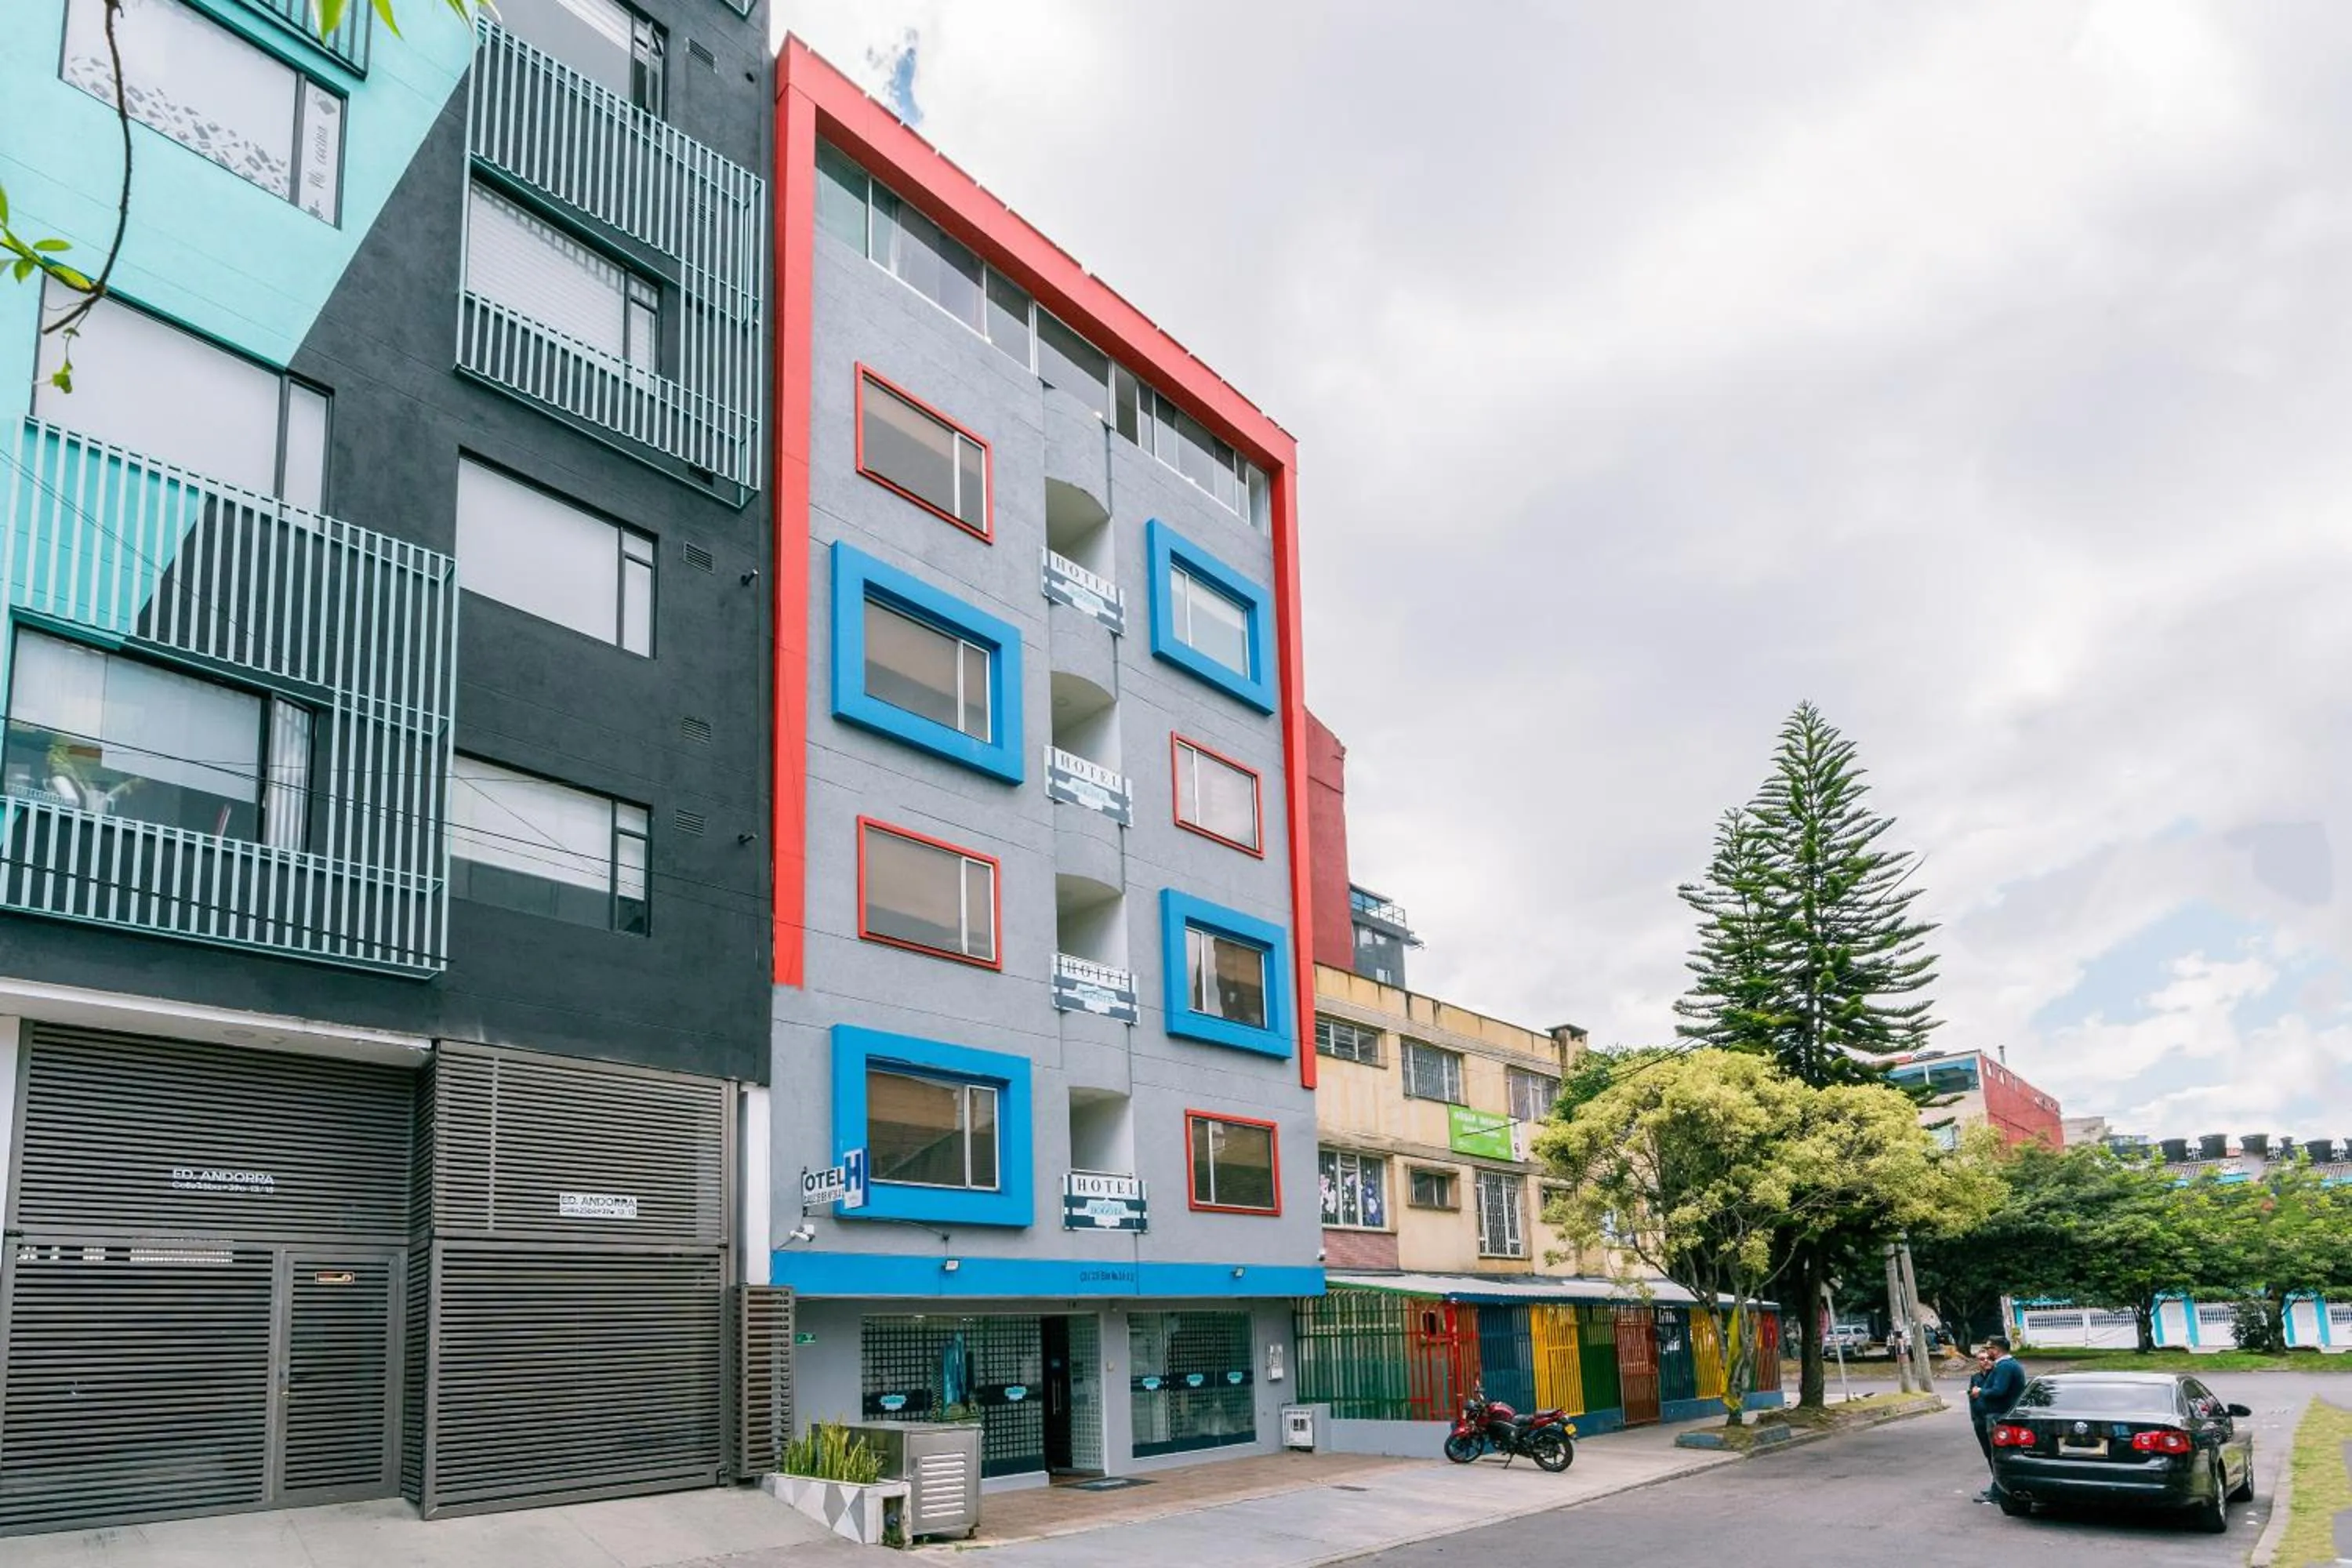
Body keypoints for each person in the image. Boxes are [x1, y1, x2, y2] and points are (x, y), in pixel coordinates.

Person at [1973, 1337, 2027, 1502]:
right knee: (1995, 1454)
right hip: (2000, 1414)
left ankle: (1999, 1491)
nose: (1988, 1352)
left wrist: (1981, 1391)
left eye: (1989, 1349)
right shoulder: (2006, 1365)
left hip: (1999, 1415)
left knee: (1997, 1455)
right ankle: (1996, 1487)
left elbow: (1998, 1390)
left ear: (1996, 1349)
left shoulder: (2006, 1367)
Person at [1964, 1348, 1995, 1485]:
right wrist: (1974, 1418)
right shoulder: (1975, 1378)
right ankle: (1994, 1481)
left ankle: (1998, 1484)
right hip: (1980, 1420)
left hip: (1993, 1418)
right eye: (1982, 1359)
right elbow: (1972, 1397)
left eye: (1988, 1358)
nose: (1985, 1361)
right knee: (1988, 1453)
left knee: (1996, 1454)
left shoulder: (1995, 1376)